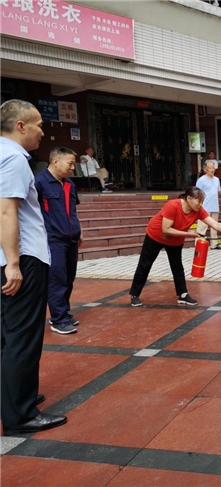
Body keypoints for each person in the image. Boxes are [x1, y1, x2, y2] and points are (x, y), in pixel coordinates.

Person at [1, 99, 67, 433]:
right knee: (23, 337)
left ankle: (13, 398)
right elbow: (6, 211)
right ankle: (20, 415)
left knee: (7, 335)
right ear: (21, 126)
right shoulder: (13, 159)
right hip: (21, 257)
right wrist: (14, 264)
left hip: (7, 255)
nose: (44, 130)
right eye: (39, 124)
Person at [129, 187, 221, 307]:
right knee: (145, 264)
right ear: (188, 199)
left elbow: (215, 224)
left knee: (177, 267)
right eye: (198, 201)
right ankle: (135, 294)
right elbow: (166, 229)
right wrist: (189, 234)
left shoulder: (198, 210)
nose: (200, 205)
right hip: (155, 236)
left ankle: (183, 295)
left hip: (175, 240)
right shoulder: (173, 206)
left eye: (202, 202)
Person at [35, 147, 83, 335]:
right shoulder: (39, 183)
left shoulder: (70, 184)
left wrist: (80, 230)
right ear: (56, 161)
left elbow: (73, 210)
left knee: (69, 277)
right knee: (57, 278)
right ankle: (58, 319)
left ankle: (64, 312)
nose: (73, 167)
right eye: (70, 163)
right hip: (53, 239)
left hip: (71, 237)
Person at [195, 160, 221, 250]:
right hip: (205, 207)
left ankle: (214, 244)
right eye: (209, 168)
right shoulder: (201, 180)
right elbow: (197, 193)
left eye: (213, 168)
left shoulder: (217, 179)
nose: (212, 170)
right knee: (202, 227)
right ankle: (198, 244)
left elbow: (217, 192)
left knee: (215, 226)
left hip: (215, 206)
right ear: (205, 169)